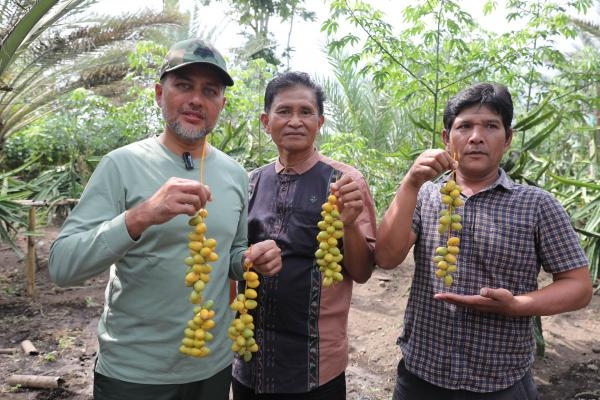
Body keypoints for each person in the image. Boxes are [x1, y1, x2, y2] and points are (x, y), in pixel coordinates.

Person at [48, 38, 282, 400]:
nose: (196, 99)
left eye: (210, 90)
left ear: (222, 104)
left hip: (212, 369)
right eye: (183, 85)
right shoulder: (121, 165)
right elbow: (63, 267)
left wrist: (251, 259)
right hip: (134, 374)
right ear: (160, 93)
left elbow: (233, 255)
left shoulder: (236, 175)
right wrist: (139, 216)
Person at [376, 82, 593, 399]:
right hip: (422, 376)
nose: (476, 136)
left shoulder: (537, 205)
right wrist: (410, 183)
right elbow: (386, 257)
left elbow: (578, 286)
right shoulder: (425, 196)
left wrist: (516, 305)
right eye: (464, 126)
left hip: (501, 382)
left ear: (507, 139)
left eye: (491, 126)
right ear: (446, 139)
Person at [231, 71, 377, 399]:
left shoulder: (345, 183)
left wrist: (350, 224)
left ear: (320, 121)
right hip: (249, 357)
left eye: (305, 112)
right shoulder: (249, 183)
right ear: (266, 121)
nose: (295, 121)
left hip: (316, 365)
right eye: (284, 112)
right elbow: (230, 260)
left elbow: (363, 271)